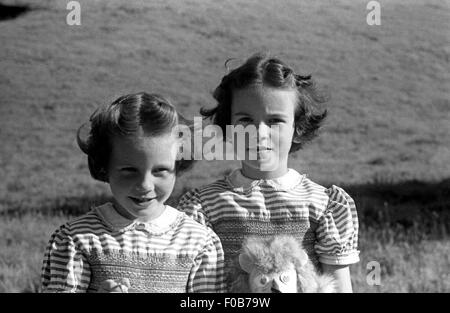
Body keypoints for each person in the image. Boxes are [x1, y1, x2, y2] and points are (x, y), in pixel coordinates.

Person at [177, 53, 360, 292]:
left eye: (274, 121)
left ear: (297, 127)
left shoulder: (325, 205)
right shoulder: (203, 207)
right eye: (245, 120)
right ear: (227, 127)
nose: (259, 132)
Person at [41, 92, 226, 293]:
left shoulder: (198, 241)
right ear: (104, 166)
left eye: (160, 170)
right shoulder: (77, 239)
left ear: (178, 165)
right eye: (129, 170)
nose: (145, 185)